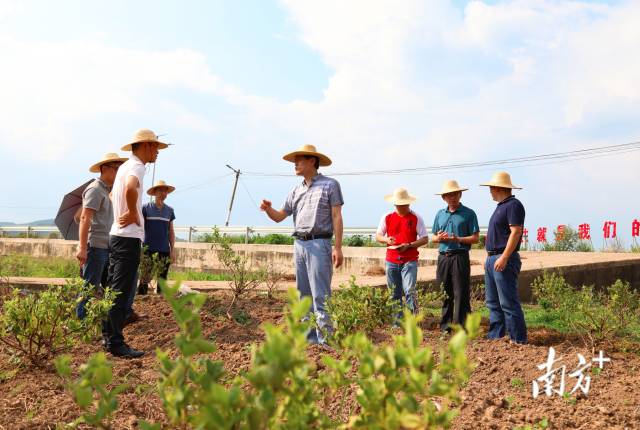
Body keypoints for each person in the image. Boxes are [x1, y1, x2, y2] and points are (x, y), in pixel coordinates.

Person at [260, 144, 344, 345]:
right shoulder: (295, 190)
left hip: (319, 244)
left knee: (320, 296)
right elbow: (280, 216)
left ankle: (326, 341)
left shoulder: (330, 185)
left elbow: (336, 215)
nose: (295, 164)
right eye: (295, 161)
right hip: (299, 244)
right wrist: (268, 209)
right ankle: (309, 341)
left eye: (299, 160)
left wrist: (338, 247)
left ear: (312, 161)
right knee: (303, 297)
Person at [105, 129, 168, 358]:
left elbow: (114, 195)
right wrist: (132, 213)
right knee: (121, 292)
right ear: (145, 146)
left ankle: (107, 336)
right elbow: (131, 188)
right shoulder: (138, 167)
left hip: (117, 235)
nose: (157, 153)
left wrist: (123, 211)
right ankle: (116, 343)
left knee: (113, 289)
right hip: (128, 237)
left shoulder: (124, 167)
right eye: (155, 147)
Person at [75, 152, 127, 319]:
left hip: (107, 245)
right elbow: (84, 217)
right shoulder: (95, 189)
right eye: (116, 168)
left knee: (107, 286)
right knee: (89, 286)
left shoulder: (109, 191)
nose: (119, 172)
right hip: (96, 246)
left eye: (120, 168)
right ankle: (82, 322)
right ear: (104, 169)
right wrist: (83, 247)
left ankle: (103, 320)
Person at [480, 171, 527, 344]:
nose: (490, 191)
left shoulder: (513, 205)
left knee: (508, 302)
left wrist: (505, 257)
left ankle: (518, 339)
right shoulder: (501, 206)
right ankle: (496, 337)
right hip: (493, 258)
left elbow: (516, 232)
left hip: (503, 258)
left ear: (498, 188)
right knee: (493, 302)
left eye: (491, 188)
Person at [431, 180, 479, 333]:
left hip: (460, 256)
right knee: (445, 292)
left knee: (461, 292)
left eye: (454, 194)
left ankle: (461, 328)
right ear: (443, 198)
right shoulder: (440, 214)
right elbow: (433, 237)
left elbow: (475, 238)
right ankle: (445, 327)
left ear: (460, 194)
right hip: (443, 257)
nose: (452, 197)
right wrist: (439, 237)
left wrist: (457, 239)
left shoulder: (469, 213)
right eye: (448, 195)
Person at [375, 187, 429, 321]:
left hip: (409, 259)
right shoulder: (387, 217)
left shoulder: (416, 218)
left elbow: (425, 238)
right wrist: (387, 239)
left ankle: (413, 321)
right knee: (393, 292)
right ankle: (397, 322)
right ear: (394, 204)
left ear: (408, 203)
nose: (400, 207)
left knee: (409, 290)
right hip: (391, 260)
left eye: (403, 204)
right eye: (398, 204)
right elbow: (378, 235)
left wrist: (409, 245)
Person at [138, 180, 176, 294]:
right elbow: (139, 227)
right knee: (145, 278)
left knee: (162, 279)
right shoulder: (146, 208)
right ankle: (142, 300)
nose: (163, 193)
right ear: (154, 192)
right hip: (147, 249)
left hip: (164, 249)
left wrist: (172, 249)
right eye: (160, 190)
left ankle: (161, 302)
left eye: (165, 190)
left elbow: (171, 231)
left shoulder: (169, 211)